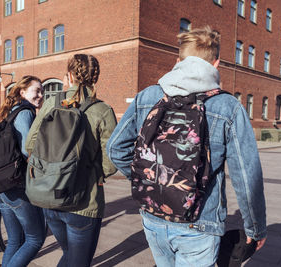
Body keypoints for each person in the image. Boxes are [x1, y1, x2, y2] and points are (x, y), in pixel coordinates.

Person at [106, 26, 267, 267]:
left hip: (153, 214)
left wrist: (151, 178)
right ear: (216, 64)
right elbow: (246, 175)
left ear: (177, 61)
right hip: (200, 221)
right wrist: (255, 227)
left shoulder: (147, 96)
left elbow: (115, 148)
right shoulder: (228, 107)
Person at [26, 54, 117, 267]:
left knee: (69, 256)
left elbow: (30, 145)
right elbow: (112, 160)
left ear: (69, 75)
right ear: (96, 77)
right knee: (78, 261)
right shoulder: (102, 110)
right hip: (85, 202)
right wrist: (94, 173)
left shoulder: (50, 103)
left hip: (50, 196)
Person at [0, 75, 46, 267]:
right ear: (22, 92)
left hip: (1, 185)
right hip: (16, 186)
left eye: (42, 91)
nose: (41, 95)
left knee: (15, 240)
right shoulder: (25, 113)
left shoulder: (10, 111)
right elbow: (27, 150)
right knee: (35, 239)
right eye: (36, 91)